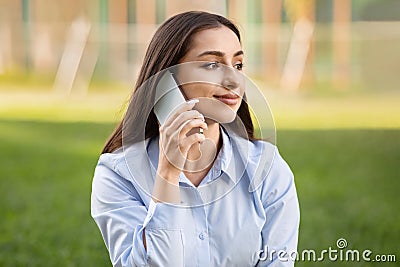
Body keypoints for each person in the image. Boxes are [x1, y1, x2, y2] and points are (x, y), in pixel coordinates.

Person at [91, 11, 300, 267]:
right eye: (212, 65)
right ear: (167, 79)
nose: (233, 80)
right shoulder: (117, 174)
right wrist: (168, 173)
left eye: (238, 65)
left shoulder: (267, 169)